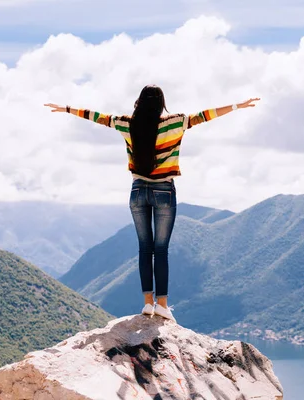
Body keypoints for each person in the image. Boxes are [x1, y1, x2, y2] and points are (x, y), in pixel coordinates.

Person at [45, 85, 259, 323]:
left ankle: (148, 303)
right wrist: (237, 105)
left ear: (139, 102)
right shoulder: (176, 123)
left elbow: (97, 117)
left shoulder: (127, 124)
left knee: (144, 249)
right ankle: (163, 305)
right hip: (164, 191)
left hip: (137, 191)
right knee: (161, 250)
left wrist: (66, 108)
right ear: (161, 103)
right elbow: (206, 115)